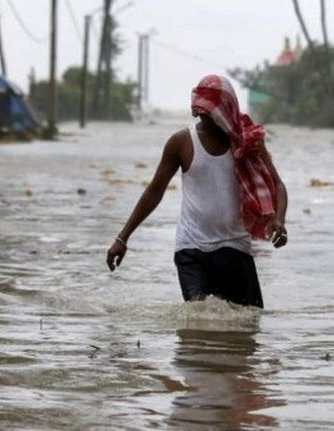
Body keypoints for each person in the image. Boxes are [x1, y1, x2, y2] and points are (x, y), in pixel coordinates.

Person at [105, 74, 288, 309]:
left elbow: (278, 185)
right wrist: (123, 238)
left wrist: (279, 220)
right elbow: (154, 191)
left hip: (235, 249)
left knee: (248, 325)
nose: (206, 117)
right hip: (191, 250)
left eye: (211, 112)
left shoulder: (248, 142)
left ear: (227, 109)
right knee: (198, 320)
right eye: (201, 111)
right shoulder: (181, 142)